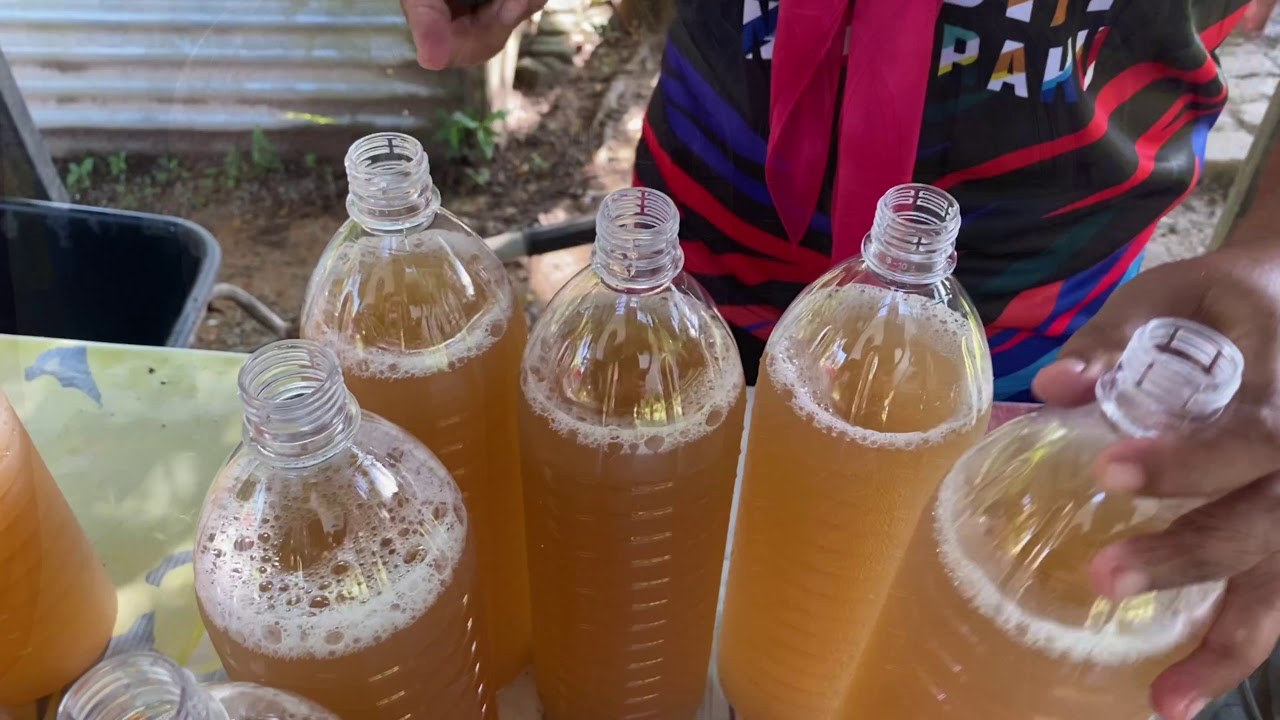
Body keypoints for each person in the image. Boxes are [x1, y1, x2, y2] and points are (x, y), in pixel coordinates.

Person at [399, 0, 1280, 717]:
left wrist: (1272, 255)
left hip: (1035, 328)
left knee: (899, 596)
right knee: (668, 546)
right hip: (702, 267)